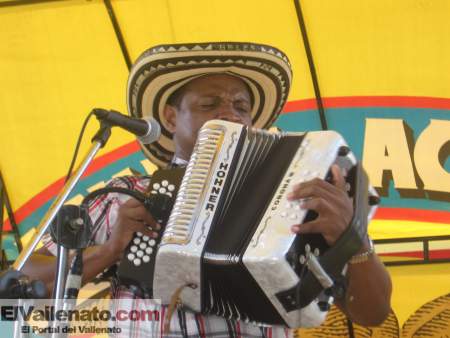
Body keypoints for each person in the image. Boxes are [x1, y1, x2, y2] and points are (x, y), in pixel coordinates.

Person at [23, 42, 391, 337]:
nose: (230, 114)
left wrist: (352, 239)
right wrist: (109, 251)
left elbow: (372, 313)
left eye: (241, 106)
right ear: (170, 118)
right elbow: (21, 287)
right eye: (209, 104)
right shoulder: (126, 195)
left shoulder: (297, 200)